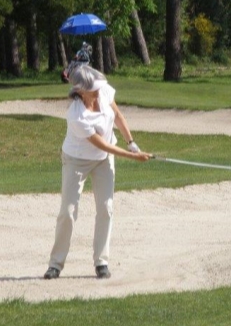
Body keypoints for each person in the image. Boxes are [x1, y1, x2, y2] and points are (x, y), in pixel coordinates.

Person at [44, 65, 152, 280]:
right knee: (68, 211)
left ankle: (101, 262)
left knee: (106, 207)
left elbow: (118, 116)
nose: (97, 92)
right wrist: (133, 157)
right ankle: (55, 264)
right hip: (77, 160)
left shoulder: (104, 92)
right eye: (93, 89)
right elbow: (101, 144)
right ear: (80, 90)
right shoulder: (76, 116)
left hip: (103, 161)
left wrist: (132, 143)